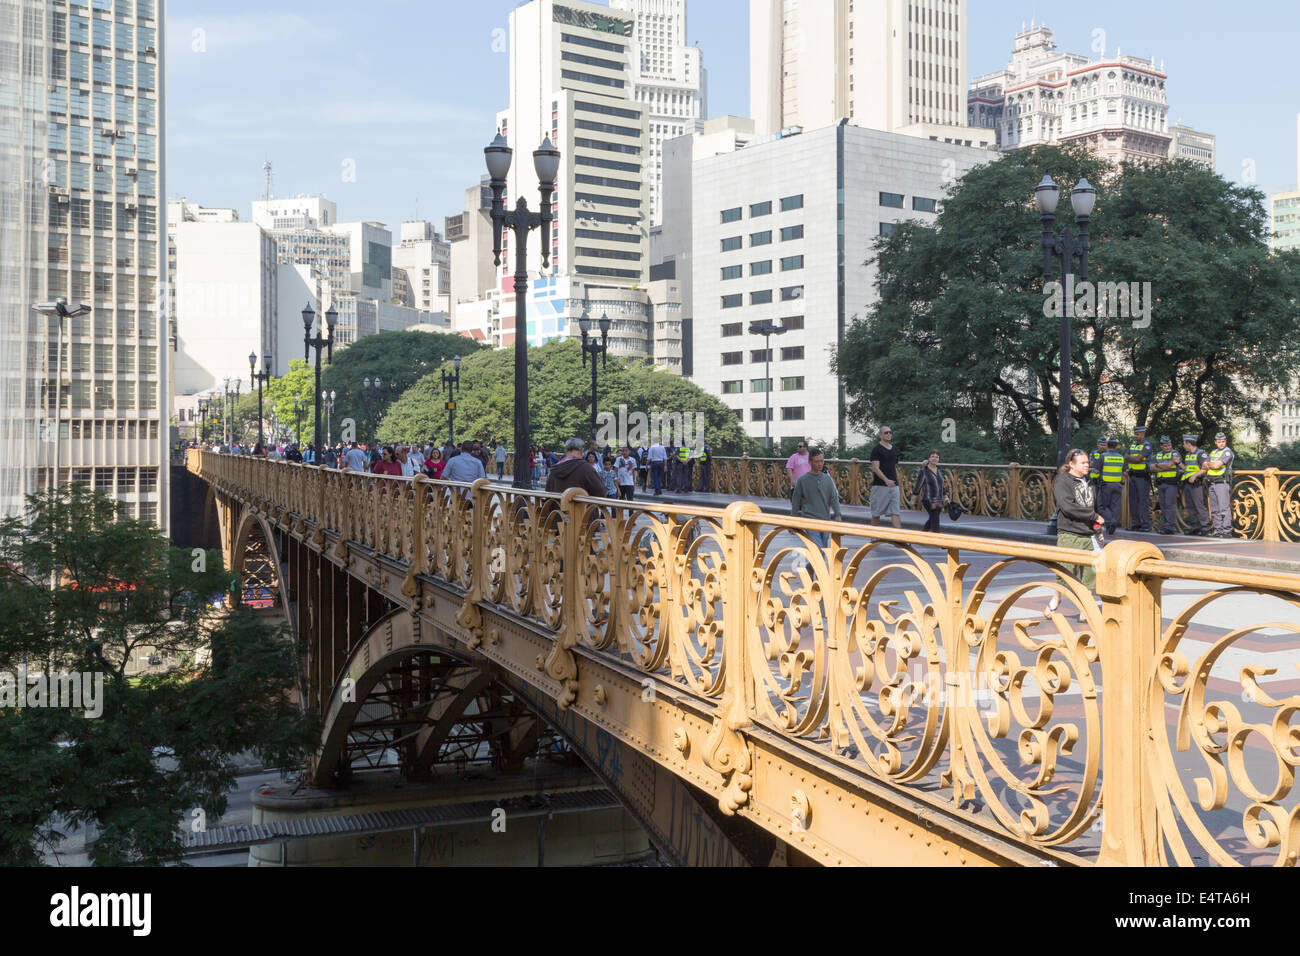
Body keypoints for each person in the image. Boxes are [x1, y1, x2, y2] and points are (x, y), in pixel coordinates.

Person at [1044, 448, 1102, 624]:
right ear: (1071, 464)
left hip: (1089, 534)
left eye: (1087, 462)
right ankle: (1057, 599)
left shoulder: (1089, 481)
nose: (1087, 465)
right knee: (1066, 571)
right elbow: (1067, 507)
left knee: (1091, 573)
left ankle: (1085, 609)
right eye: (1083, 463)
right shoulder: (1063, 481)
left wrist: (1098, 529)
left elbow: (1093, 507)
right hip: (1070, 533)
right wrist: (1093, 517)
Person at [791, 447, 841, 550]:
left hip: (825, 520)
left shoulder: (827, 479)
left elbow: (834, 498)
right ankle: (810, 566)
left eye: (822, 461)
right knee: (819, 550)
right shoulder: (802, 480)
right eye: (816, 461)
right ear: (810, 462)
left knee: (823, 550)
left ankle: (809, 566)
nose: (820, 464)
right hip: (810, 521)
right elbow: (796, 502)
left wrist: (837, 515)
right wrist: (792, 522)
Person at [868, 426, 901, 529]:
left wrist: (896, 481)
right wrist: (886, 480)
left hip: (894, 486)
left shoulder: (894, 449)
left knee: (895, 512)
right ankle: (874, 536)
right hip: (880, 485)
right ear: (880, 435)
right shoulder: (876, 450)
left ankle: (900, 538)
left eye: (890, 432)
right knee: (876, 513)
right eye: (886, 432)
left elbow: (894, 466)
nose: (889, 434)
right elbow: (875, 468)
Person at [1180, 434, 1212, 535]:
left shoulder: (1201, 454)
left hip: (1197, 483)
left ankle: (1206, 528)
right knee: (1190, 506)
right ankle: (1195, 527)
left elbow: (1206, 468)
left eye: (1184, 443)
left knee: (1199, 506)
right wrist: (1178, 463)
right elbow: (1188, 469)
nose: (1183, 445)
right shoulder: (1188, 454)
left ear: (1188, 443)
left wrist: (1194, 476)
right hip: (1188, 484)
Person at [1206, 431, 1236, 537]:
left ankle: (1227, 531)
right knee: (1214, 509)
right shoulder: (1213, 452)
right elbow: (1204, 465)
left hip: (1222, 482)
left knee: (1224, 508)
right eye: (1219, 442)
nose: (1222, 443)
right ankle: (1218, 530)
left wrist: (1210, 464)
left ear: (1225, 441)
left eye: (1223, 441)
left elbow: (1216, 466)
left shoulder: (1227, 452)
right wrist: (1210, 464)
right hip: (1212, 482)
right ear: (1215, 442)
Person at [1124, 424, 1154, 532]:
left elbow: (1138, 459)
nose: (1135, 436)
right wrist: (1133, 458)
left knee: (1143, 501)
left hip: (1142, 477)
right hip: (1132, 476)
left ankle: (1145, 524)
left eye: (1137, 434)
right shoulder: (1132, 445)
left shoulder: (1147, 446)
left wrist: (1131, 458)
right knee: (1133, 501)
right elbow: (1126, 457)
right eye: (1135, 434)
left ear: (1143, 434)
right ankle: (1136, 523)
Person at [1151, 435, 1182, 534]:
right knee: (1163, 505)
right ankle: (1166, 526)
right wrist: (1165, 465)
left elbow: (1170, 465)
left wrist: (1158, 465)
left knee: (1170, 504)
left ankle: (1169, 527)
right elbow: (1152, 468)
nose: (1167, 447)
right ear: (1161, 446)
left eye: (1169, 445)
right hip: (1161, 483)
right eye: (1165, 446)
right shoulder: (1157, 455)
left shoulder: (1175, 453)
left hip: (1171, 483)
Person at [913, 449, 948, 533]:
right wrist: (913, 499)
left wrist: (946, 497)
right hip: (928, 499)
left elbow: (941, 486)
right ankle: (939, 540)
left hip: (938, 499)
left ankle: (921, 536)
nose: (935, 458)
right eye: (932, 456)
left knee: (932, 518)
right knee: (935, 519)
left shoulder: (939, 471)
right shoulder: (924, 471)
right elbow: (918, 486)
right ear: (929, 458)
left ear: (939, 459)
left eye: (937, 457)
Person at [1096, 436, 1125, 536]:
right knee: (1114, 506)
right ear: (1116, 446)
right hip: (1118, 485)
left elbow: (1096, 470)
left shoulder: (1103, 456)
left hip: (1106, 485)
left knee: (1102, 507)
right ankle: (1110, 527)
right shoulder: (1121, 457)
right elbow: (1125, 472)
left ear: (1107, 445)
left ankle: (1111, 522)